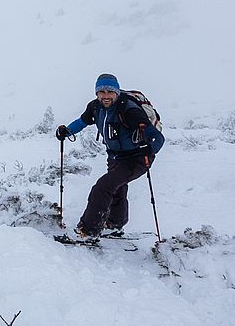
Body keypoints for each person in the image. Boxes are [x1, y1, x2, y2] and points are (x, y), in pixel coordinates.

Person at [56, 73, 165, 239]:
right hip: (115, 157)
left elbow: (158, 138)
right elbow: (82, 121)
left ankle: (87, 231)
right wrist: (67, 131)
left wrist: (149, 149)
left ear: (117, 92)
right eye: (102, 92)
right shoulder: (95, 107)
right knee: (117, 188)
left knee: (103, 187)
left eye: (110, 92)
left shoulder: (129, 109)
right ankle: (114, 224)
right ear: (97, 93)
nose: (106, 96)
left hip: (136, 159)